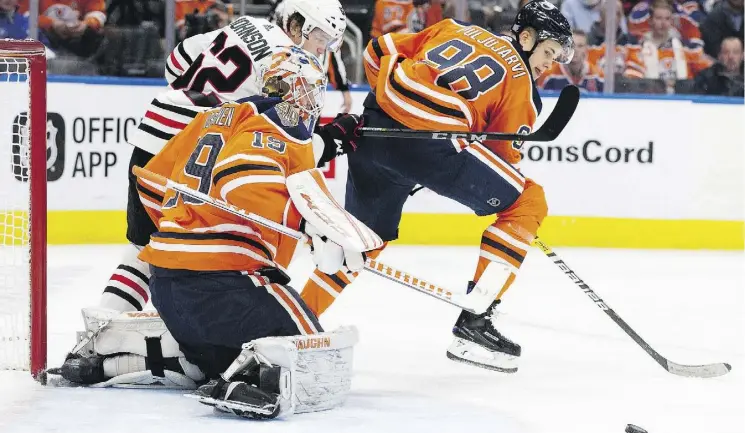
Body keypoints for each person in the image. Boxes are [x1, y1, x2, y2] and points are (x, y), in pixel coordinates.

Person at [300, 0, 575, 373]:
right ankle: (475, 320)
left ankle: (295, 317)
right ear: (525, 37)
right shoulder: (523, 86)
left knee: (361, 241)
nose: (549, 64)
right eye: (547, 52)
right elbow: (501, 156)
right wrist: (431, 160)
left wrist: (387, 114)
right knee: (526, 201)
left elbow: (377, 51)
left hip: (372, 132)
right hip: (431, 146)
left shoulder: (453, 28)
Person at [95, 0, 350, 315]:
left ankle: (101, 330)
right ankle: (195, 336)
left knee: (143, 247)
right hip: (195, 152)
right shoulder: (290, 63)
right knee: (213, 254)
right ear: (295, 24)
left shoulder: (246, 25)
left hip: (154, 131)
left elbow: (176, 63)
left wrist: (205, 95)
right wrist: (333, 139)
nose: (321, 48)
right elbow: (286, 141)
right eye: (319, 36)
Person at [270, 0, 353, 113]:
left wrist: (344, 89)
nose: (322, 50)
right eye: (320, 39)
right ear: (295, 27)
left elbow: (332, 56)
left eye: (328, 41)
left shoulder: (325, 7)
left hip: (306, 92)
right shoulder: (288, 9)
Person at [538, 29, 604, 92]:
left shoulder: (598, 76)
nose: (575, 50)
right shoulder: (549, 76)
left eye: (580, 46)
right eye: (571, 45)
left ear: (586, 49)